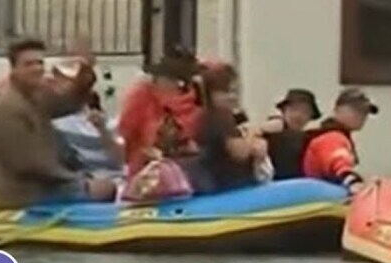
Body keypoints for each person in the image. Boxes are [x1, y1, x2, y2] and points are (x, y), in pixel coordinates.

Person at [0, 38, 117, 208]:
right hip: (21, 194)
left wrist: (85, 70)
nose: (37, 68)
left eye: (40, 63)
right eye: (28, 64)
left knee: (105, 185)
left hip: (41, 186)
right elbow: (28, 165)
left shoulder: (36, 98)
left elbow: (71, 102)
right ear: (14, 70)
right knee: (104, 189)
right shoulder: (6, 109)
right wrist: (78, 179)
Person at [190, 63, 269, 194]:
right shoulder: (219, 118)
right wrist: (252, 134)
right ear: (211, 94)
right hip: (228, 186)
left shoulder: (208, 117)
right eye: (226, 91)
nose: (232, 96)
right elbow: (240, 153)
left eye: (234, 91)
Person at [117, 54, 202, 176]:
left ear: (179, 83)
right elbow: (126, 132)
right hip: (144, 172)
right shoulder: (142, 97)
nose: (155, 81)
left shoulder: (193, 108)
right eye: (155, 77)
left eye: (161, 78)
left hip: (184, 173)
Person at [303, 88, 378, 193]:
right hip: (321, 199)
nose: (362, 115)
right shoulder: (332, 138)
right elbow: (339, 163)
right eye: (355, 110)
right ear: (337, 110)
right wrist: (354, 183)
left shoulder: (330, 134)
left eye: (365, 112)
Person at [52, 88, 125, 180]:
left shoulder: (111, 125)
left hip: (114, 177)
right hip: (83, 177)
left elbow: (121, 160)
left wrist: (102, 129)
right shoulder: (59, 124)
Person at [263, 88, 321, 180]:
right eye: (294, 109)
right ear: (284, 111)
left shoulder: (309, 140)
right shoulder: (270, 131)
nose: (298, 115)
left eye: (305, 112)